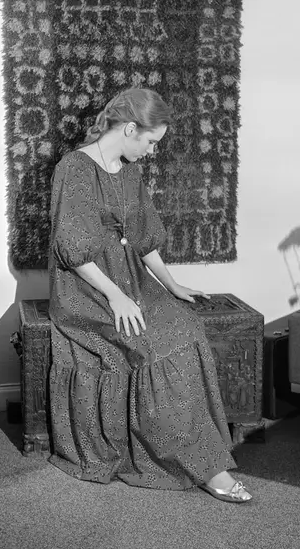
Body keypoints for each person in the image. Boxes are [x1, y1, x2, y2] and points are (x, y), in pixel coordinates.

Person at [47, 87, 251, 503]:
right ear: (129, 129)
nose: (152, 151)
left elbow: (142, 239)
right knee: (152, 342)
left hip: (131, 279)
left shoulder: (130, 172)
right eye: (152, 141)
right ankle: (203, 466)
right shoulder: (74, 168)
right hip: (85, 287)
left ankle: (200, 453)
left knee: (185, 326)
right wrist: (116, 298)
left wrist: (171, 285)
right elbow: (72, 250)